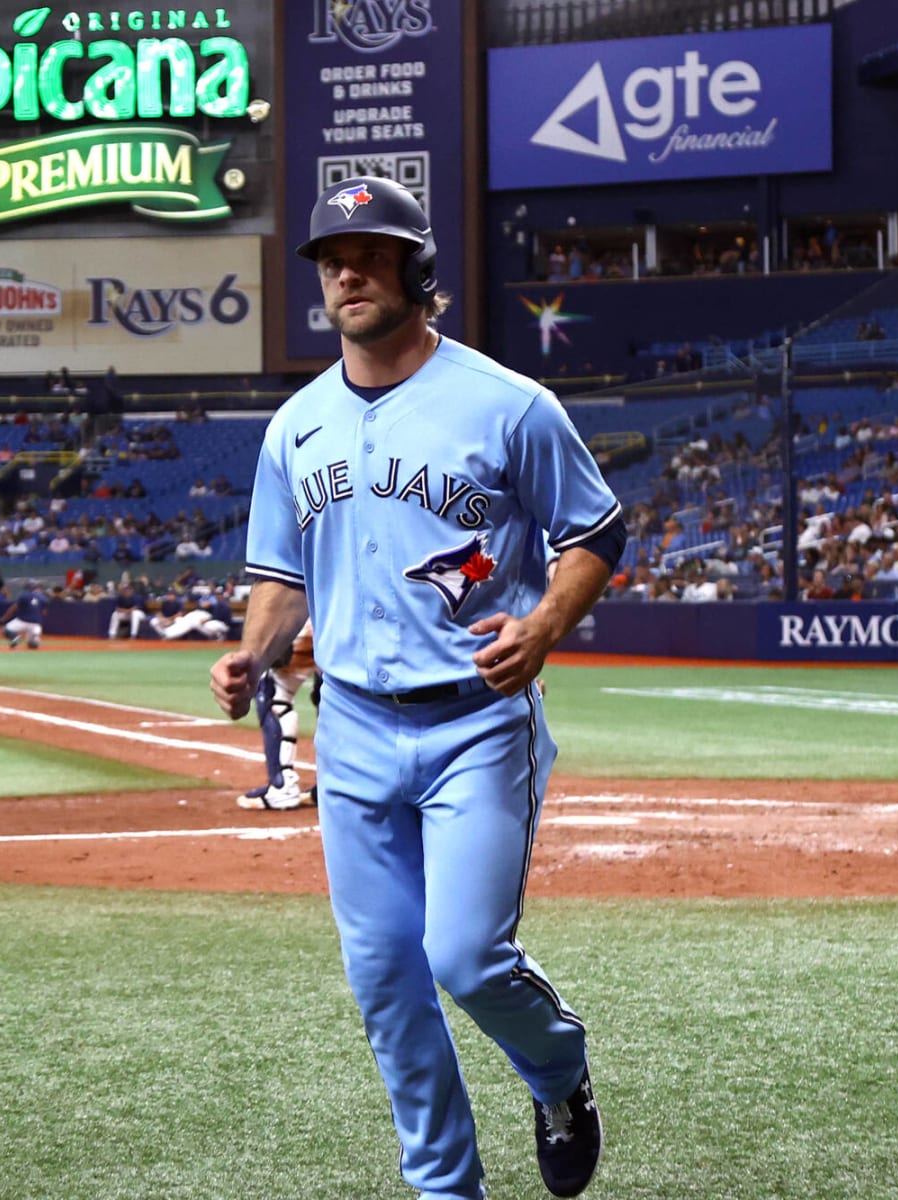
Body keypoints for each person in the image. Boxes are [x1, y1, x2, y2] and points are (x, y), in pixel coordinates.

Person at [210, 177, 624, 1200]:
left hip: (476, 723)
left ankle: (557, 1073)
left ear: (418, 269)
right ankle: (446, 1190)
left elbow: (595, 533)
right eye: (330, 258)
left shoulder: (508, 404)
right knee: (387, 983)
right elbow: (278, 578)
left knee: (466, 957)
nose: (346, 270)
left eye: (370, 252)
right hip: (350, 730)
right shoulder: (293, 426)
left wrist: (540, 625)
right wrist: (254, 652)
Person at [236, 621, 321, 811]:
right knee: (334, 697)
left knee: (273, 694)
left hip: (310, 619)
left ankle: (282, 786)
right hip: (348, 624)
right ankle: (337, 785)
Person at [2, 579, 48, 649]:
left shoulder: (23, 595)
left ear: (26, 587)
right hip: (35, 624)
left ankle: (15, 637)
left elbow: (13, 608)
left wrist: (3, 619)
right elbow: (44, 613)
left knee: (6, 629)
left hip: (22, 621)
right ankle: (35, 637)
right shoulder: (42, 597)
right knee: (32, 645)